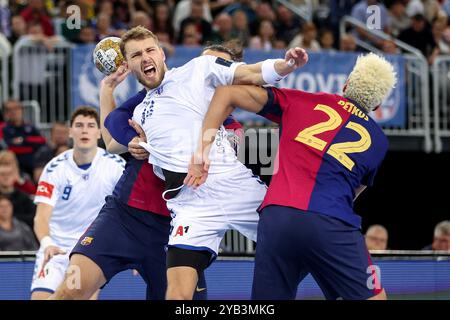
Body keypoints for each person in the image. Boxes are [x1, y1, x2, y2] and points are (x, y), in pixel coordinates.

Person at [108, 26, 306, 300]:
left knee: (305, 247)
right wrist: (131, 139)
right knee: (176, 294)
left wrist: (285, 66)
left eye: (150, 50)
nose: (145, 58)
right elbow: (111, 136)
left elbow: (248, 73)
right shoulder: (139, 111)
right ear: (129, 65)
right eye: (136, 55)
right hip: (190, 207)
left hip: (234, 188)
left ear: (162, 54)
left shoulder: (197, 70)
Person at [188, 52, 397, 300]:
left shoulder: (303, 100)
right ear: (376, 105)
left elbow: (226, 92)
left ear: (345, 84)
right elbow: (352, 195)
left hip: (277, 218)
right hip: (330, 223)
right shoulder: (379, 142)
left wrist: (201, 151)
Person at [48, 44, 243, 301]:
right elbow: (112, 142)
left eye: (219, 69)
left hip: (178, 234)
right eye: (202, 65)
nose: (207, 73)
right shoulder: (157, 97)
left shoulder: (232, 130)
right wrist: (110, 94)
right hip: (123, 218)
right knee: (69, 292)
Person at [30, 106, 125, 300]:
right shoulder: (54, 168)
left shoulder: (115, 166)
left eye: (91, 126)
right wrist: (47, 243)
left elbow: (130, 210)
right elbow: (41, 217)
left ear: (99, 132)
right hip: (55, 250)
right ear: (70, 131)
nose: (84, 130)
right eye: (79, 125)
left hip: (90, 249)